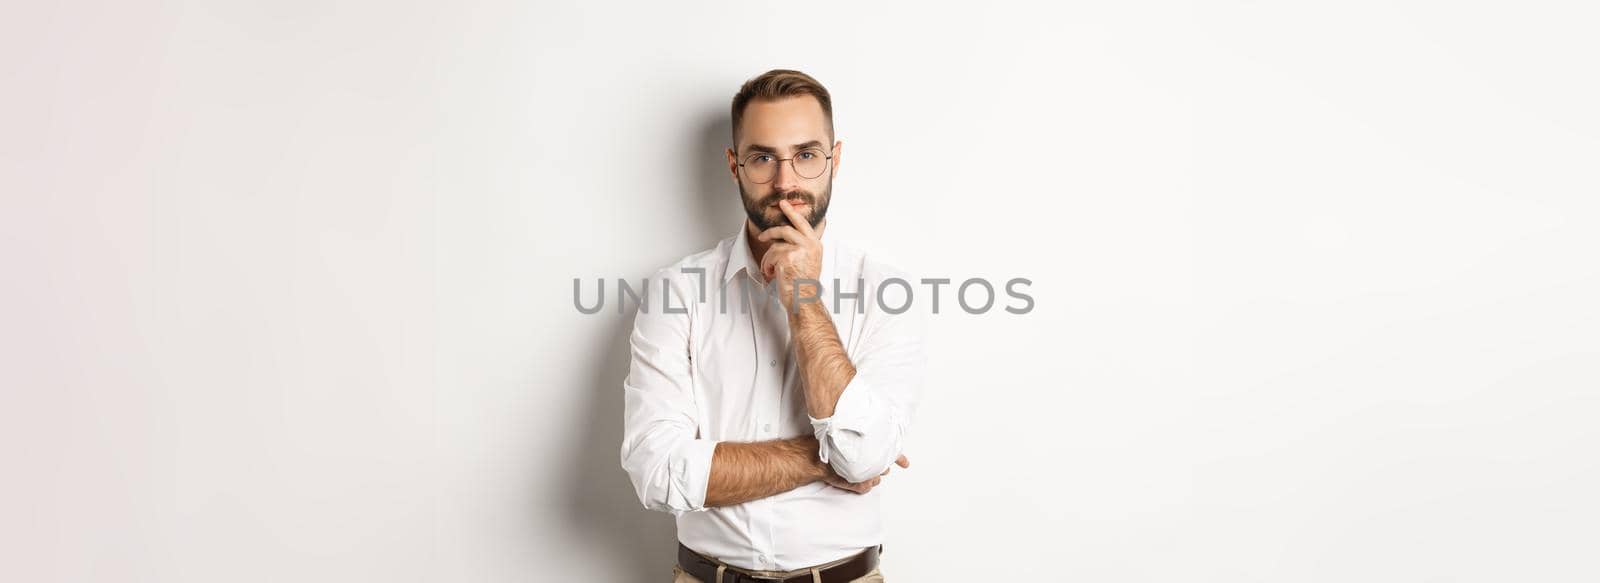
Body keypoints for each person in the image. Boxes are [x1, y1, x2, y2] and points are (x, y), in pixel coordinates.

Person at [619, 69, 928, 582]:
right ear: (734, 164)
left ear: (836, 159)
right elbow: (657, 472)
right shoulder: (676, 290)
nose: (786, 182)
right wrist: (823, 459)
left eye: (806, 155)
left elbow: (865, 456)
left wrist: (804, 295)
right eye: (763, 158)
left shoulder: (886, 289)